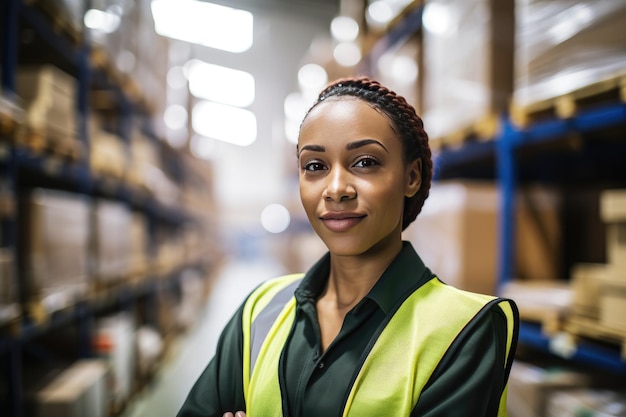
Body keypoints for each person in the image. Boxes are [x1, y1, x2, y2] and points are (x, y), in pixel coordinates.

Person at [177, 77, 519, 417]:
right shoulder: (260, 312)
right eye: (315, 166)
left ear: (411, 177)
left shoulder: (465, 331)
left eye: (365, 162)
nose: (336, 189)